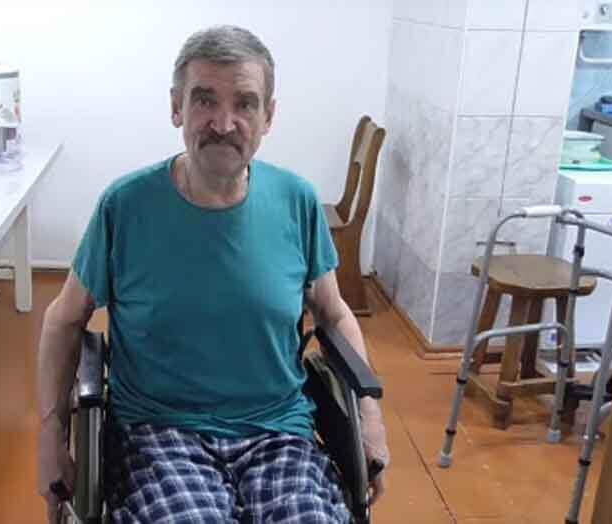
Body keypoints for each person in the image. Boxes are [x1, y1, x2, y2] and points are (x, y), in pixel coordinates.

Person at [37, 25, 389, 523]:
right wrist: (51, 433)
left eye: (245, 104)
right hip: (159, 436)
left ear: (268, 116)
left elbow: (334, 314)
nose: (224, 123)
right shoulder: (126, 206)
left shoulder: (296, 201)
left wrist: (370, 418)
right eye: (205, 100)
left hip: (278, 433)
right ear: (176, 107)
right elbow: (64, 319)